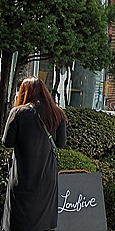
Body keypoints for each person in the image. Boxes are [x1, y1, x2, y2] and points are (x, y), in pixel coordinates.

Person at [2, 77, 66, 231]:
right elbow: (61, 143)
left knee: (18, 219)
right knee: (42, 221)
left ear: (25, 93)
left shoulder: (18, 113)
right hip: (47, 175)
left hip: (23, 174)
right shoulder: (57, 113)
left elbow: (7, 142)